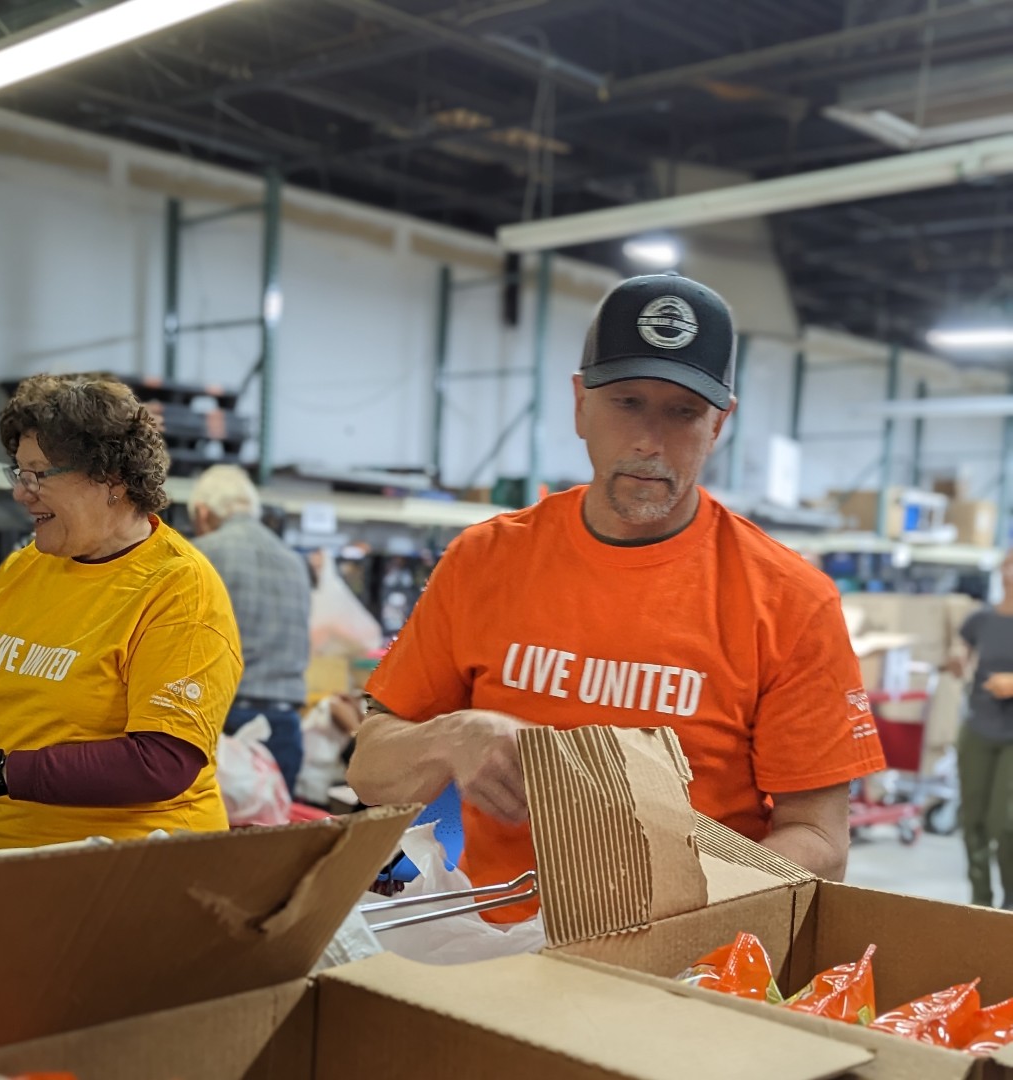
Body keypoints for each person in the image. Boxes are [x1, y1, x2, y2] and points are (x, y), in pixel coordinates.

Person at [349, 273, 887, 918]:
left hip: (683, 963)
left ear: (720, 424)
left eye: (682, 412)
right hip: (493, 955)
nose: (649, 442)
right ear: (580, 404)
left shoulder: (791, 602)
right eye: (627, 402)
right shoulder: (484, 561)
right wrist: (453, 737)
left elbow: (822, 839)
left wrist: (685, 903)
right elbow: (368, 769)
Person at [0, 373, 242, 849]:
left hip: (128, 873)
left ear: (110, 478)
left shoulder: (179, 589)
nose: (21, 491)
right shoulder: (28, 567)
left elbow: (159, 762)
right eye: (18, 472)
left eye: (38, 473)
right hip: (13, 870)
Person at [188, 464, 312, 795]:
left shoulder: (201, 554)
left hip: (224, 725)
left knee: (213, 842)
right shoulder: (294, 562)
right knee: (271, 840)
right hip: (285, 727)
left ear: (202, 513)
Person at [948, 552, 1013, 908]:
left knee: (1005, 825)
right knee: (972, 820)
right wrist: (958, 657)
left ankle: (1009, 906)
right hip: (977, 727)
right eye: (1008, 563)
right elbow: (962, 649)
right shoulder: (982, 620)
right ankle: (980, 902)